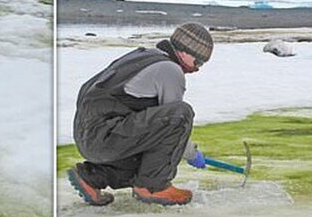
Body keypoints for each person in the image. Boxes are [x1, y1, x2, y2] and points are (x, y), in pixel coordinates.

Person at [67, 22, 213, 206]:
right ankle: (154, 186)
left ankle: (92, 178)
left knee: (148, 158)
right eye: (198, 61)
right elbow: (174, 123)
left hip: (91, 135)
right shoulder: (170, 69)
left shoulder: (145, 56)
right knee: (182, 114)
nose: (198, 68)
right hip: (105, 136)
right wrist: (192, 153)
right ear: (184, 51)